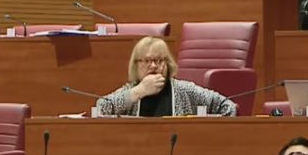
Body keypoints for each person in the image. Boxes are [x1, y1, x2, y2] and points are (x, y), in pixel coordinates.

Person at [96, 36, 237, 116]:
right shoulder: (131, 90)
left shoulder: (185, 90)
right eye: (146, 61)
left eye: (158, 60)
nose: (153, 66)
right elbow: (101, 108)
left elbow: (228, 107)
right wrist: (138, 92)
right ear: (136, 65)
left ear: (167, 64)